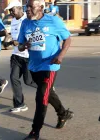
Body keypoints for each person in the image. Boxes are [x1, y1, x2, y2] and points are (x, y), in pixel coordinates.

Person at [17, 0, 74, 139]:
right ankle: (63, 113)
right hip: (34, 66)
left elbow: (67, 39)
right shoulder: (25, 23)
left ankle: (35, 132)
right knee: (48, 93)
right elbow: (19, 46)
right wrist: (24, 45)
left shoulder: (53, 21)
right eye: (27, 6)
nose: (27, 9)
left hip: (50, 65)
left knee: (41, 97)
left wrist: (60, 55)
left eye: (31, 6)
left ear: (41, 7)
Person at [4, 0, 37, 113]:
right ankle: (20, 104)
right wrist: (8, 41)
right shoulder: (13, 21)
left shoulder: (28, 21)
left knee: (28, 81)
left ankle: (47, 88)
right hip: (16, 55)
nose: (11, 13)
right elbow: (13, 37)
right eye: (10, 11)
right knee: (14, 79)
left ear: (19, 8)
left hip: (27, 56)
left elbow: (33, 39)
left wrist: (20, 43)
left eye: (12, 10)